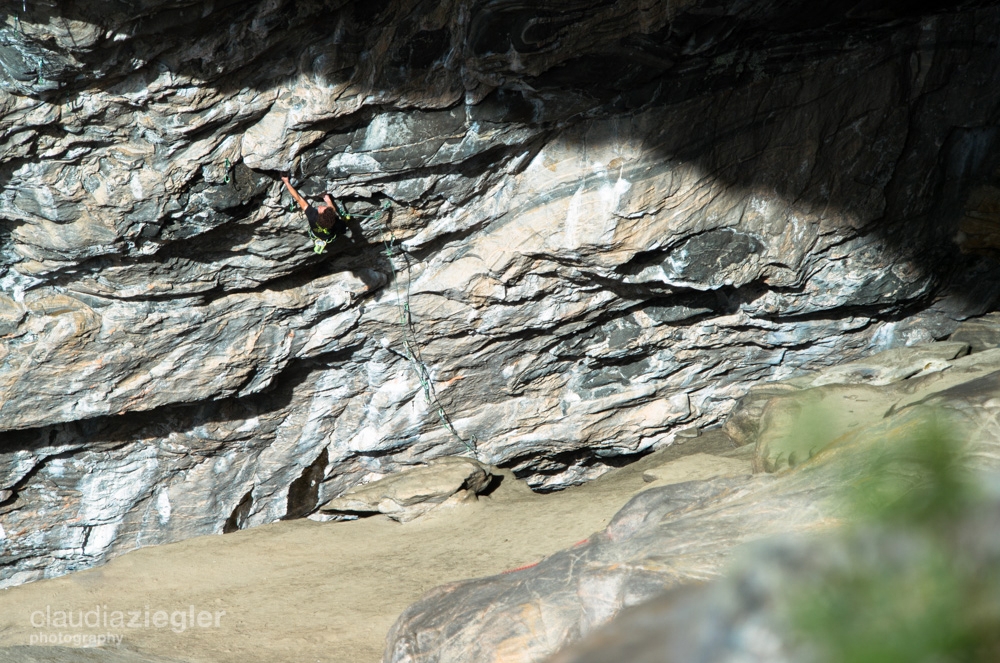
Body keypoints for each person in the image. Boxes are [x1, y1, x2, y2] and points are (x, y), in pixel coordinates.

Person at [281, 176, 347, 254]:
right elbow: (333, 213)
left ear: (318, 216)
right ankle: (322, 241)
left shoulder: (312, 215)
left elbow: (298, 198)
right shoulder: (337, 223)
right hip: (328, 236)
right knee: (343, 221)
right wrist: (328, 199)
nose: (319, 206)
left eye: (320, 209)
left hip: (316, 234)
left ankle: (320, 241)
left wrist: (286, 183)